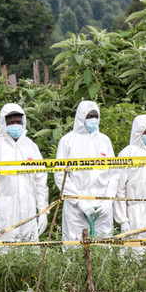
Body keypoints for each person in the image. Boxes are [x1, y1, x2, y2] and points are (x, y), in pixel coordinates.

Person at [0, 104, 48, 243]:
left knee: (29, 252)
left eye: (18, 122)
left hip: (28, 208)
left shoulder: (31, 146)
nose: (15, 125)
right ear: (3, 123)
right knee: (5, 252)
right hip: (4, 210)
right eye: (11, 122)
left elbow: (40, 180)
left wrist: (42, 211)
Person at [54, 101, 117, 241]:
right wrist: (79, 201)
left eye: (96, 116)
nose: (93, 119)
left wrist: (108, 200)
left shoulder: (104, 141)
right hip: (76, 209)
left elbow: (114, 173)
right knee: (74, 251)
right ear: (81, 117)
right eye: (89, 116)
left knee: (104, 250)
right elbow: (60, 175)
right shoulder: (68, 141)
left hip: (102, 207)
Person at [114, 115, 146, 269]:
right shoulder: (127, 153)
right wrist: (122, 219)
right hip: (136, 210)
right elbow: (119, 189)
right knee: (135, 254)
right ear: (138, 132)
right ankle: (135, 291)